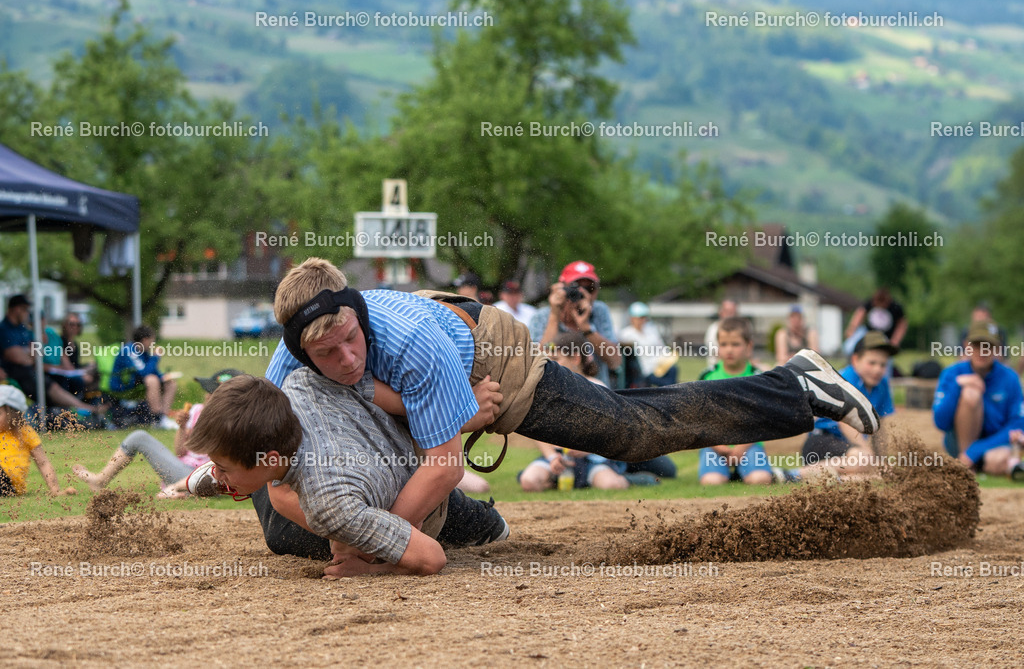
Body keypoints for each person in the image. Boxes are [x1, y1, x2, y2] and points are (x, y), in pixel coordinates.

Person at [260, 257, 877, 528]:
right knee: (636, 412)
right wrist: (226, 471)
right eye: (326, 354)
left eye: (350, 339)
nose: (345, 359)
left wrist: (379, 543)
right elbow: (260, 431)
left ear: (357, 312)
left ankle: (796, 387)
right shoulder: (290, 358)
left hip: (493, 355)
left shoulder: (410, 343)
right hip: (449, 355)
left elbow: (443, 466)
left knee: (633, 432)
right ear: (299, 349)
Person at [187, 373, 510, 577]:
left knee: (283, 536)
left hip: (420, 480)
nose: (218, 473)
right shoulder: (299, 382)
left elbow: (431, 558)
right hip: (399, 432)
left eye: (223, 467)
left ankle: (482, 520)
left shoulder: (328, 505)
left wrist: (372, 568)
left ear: (269, 458)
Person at [73, 369, 245, 498]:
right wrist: (182, 427)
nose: (207, 396)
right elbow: (180, 451)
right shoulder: (197, 410)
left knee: (140, 437)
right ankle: (100, 480)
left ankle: (181, 490)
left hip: (204, 477)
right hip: (182, 470)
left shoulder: (234, 423)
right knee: (139, 437)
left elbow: (222, 467)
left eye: (212, 392)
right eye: (208, 391)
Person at [519, 332, 652, 491]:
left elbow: (612, 430)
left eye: (556, 359)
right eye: (548, 360)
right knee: (529, 481)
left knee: (612, 485)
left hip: (592, 459)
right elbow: (537, 428)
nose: (550, 365)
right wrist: (552, 457)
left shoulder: (597, 387)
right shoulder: (548, 389)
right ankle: (557, 478)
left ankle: (629, 478)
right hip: (559, 458)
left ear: (575, 358)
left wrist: (588, 449)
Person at [933, 320, 1024, 479]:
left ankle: (973, 462)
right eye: (977, 345)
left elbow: (1017, 424)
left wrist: (975, 450)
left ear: (997, 348)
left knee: (1002, 457)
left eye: (988, 346)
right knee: (971, 393)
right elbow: (940, 422)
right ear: (966, 346)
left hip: (991, 445)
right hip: (957, 443)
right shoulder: (952, 373)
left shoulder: (1010, 378)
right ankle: (964, 464)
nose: (982, 351)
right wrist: (958, 385)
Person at [800, 331, 897, 478]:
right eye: (872, 363)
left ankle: (840, 478)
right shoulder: (844, 379)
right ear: (855, 360)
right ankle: (794, 474)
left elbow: (879, 426)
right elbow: (845, 423)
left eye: (883, 365)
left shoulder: (882, 385)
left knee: (874, 472)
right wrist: (870, 456)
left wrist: (881, 460)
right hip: (821, 441)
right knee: (863, 460)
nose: (877, 369)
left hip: (849, 447)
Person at [697, 317, 775, 486]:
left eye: (735, 344)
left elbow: (762, 421)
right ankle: (726, 472)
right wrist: (719, 447)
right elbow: (701, 421)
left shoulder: (758, 378)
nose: (729, 350)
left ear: (749, 346)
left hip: (749, 444)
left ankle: (750, 470)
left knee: (760, 479)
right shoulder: (707, 377)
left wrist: (740, 449)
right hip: (715, 445)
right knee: (711, 482)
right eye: (724, 344)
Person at [0, 294, 106, 416]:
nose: (27, 314)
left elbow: (36, 353)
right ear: (17, 309)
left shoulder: (23, 329)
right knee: (56, 386)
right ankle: (84, 410)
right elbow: (17, 356)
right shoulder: (4, 329)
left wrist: (27, 353)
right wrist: (29, 353)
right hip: (17, 374)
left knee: (86, 378)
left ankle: (84, 409)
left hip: (31, 371)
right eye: (25, 310)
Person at [529, 260, 621, 386]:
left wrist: (587, 328)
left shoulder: (599, 311)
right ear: (561, 288)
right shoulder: (541, 316)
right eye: (575, 287)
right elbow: (537, 361)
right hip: (555, 390)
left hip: (596, 391)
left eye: (589, 288)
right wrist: (554, 316)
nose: (582, 293)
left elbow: (615, 362)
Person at [0, 385, 76, 497]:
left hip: (9, 485)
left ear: (13, 414)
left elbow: (43, 463)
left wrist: (55, 490)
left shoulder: (24, 433)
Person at [110, 325, 178, 430]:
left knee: (170, 383)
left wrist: (163, 377)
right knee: (151, 380)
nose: (153, 344)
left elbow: (152, 371)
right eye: (152, 341)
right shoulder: (129, 350)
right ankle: (157, 419)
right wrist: (155, 357)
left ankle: (163, 417)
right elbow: (144, 373)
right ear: (145, 340)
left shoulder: (144, 352)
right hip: (123, 386)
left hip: (137, 381)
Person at [619, 301, 678, 387]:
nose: (642, 320)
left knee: (673, 370)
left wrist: (667, 358)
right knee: (667, 384)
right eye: (640, 317)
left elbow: (662, 347)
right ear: (632, 318)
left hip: (660, 366)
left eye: (644, 317)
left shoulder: (651, 330)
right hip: (644, 371)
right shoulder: (626, 334)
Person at [844, 288, 907, 355]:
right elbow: (860, 314)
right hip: (867, 332)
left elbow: (902, 325)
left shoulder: (895, 307)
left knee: (884, 355)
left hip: (884, 336)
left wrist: (895, 340)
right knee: (849, 346)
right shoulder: (870, 302)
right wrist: (852, 329)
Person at [704, 299, 738, 368]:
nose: (730, 315)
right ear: (721, 312)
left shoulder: (741, 328)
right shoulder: (713, 329)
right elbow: (717, 353)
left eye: (732, 312)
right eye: (727, 311)